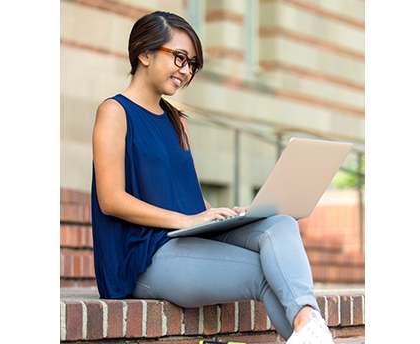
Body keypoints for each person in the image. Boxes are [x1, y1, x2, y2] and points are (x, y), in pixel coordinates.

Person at [91, 11, 334, 344]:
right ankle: (313, 332)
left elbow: (186, 193)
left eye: (192, 63)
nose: (186, 70)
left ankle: (309, 328)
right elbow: (111, 199)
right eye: (179, 57)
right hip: (144, 257)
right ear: (144, 53)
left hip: (187, 237)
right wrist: (186, 220)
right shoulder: (114, 112)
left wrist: (223, 215)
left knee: (280, 223)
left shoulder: (176, 120)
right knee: (266, 272)